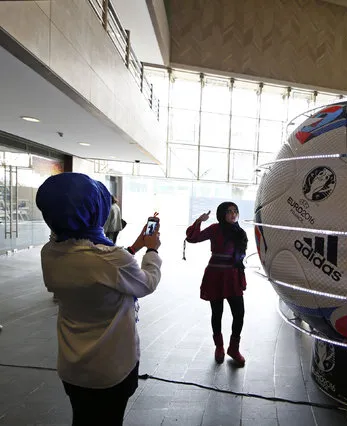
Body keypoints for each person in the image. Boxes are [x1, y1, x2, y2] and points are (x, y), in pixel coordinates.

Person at [35, 172, 162, 426]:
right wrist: (152, 250)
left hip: (72, 367)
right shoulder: (112, 260)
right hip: (110, 369)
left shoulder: (49, 253)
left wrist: (134, 247)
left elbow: (97, 267)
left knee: (82, 419)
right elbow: (146, 282)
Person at [186, 202, 248, 366]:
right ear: (222, 214)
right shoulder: (215, 228)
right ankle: (219, 346)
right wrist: (199, 221)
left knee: (239, 313)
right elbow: (193, 238)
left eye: (235, 211)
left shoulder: (240, 232)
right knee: (217, 312)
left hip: (233, 276)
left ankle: (233, 348)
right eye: (229, 212)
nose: (233, 214)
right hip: (215, 275)